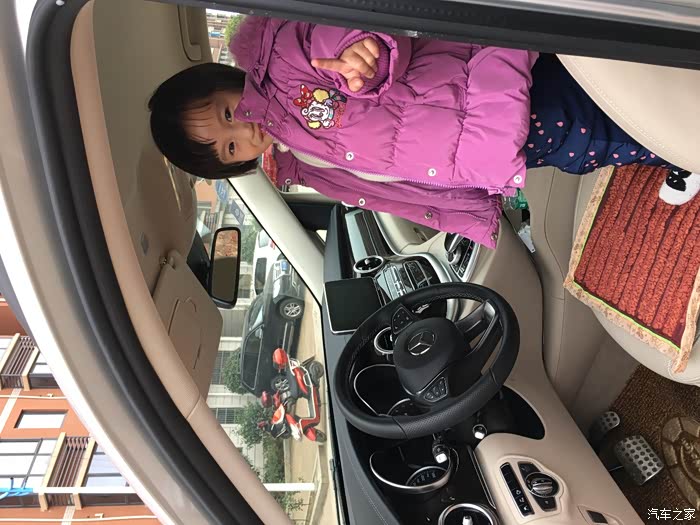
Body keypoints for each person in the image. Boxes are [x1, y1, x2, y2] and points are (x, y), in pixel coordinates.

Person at [149, 16, 698, 248]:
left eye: (227, 112)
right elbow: (385, 186)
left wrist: (359, 53)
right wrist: (461, 210)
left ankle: (682, 142)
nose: (242, 129)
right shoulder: (298, 160)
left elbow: (334, 41)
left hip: (489, 97)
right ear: (235, 163)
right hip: (485, 148)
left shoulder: (282, 60)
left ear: (228, 80)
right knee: (586, 150)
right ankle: (669, 147)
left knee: (594, 124)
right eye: (229, 146)